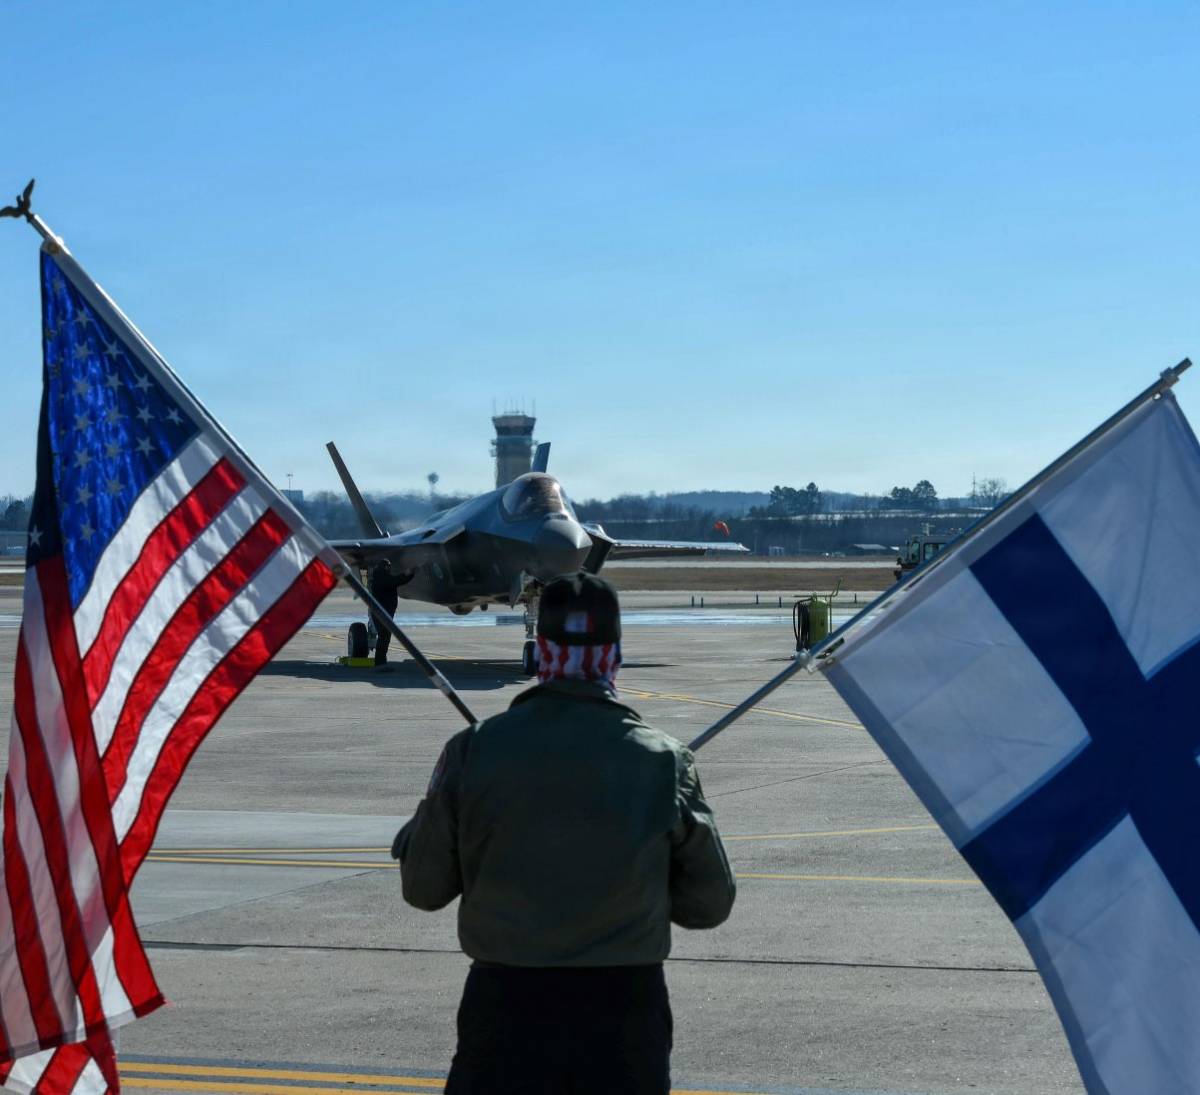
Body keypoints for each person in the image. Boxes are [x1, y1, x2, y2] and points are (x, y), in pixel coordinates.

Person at [392, 571, 736, 1094]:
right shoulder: (663, 761)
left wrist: (429, 820)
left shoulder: (475, 751)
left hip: (507, 1011)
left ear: (542, 649)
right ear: (614, 652)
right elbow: (708, 905)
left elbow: (424, 890)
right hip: (623, 1017)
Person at [368, 559, 412, 669]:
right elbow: (396, 580)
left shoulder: (378, 578)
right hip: (382, 613)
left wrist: (409, 574)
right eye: (388, 566)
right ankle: (380, 663)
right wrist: (409, 573)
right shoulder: (382, 579)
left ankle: (381, 662)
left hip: (383, 613)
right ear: (385, 567)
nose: (389, 569)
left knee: (384, 636)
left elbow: (396, 581)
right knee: (384, 636)